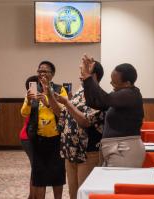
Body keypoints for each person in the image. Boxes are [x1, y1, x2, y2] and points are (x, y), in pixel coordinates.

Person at [41, 61, 105, 199]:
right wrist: (49, 94)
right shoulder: (79, 92)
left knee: (85, 194)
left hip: (87, 153)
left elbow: (85, 121)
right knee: (73, 194)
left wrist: (67, 103)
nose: (80, 76)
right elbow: (61, 112)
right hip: (70, 150)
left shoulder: (98, 96)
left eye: (83, 72)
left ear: (94, 76)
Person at [80, 55, 145, 167]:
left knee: (117, 183)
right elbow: (94, 102)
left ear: (127, 84)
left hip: (124, 149)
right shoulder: (119, 95)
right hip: (116, 149)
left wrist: (88, 77)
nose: (111, 84)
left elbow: (105, 99)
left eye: (114, 82)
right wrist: (88, 78)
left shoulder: (131, 94)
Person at [20, 61, 67, 199]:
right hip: (38, 139)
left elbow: (63, 111)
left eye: (45, 71)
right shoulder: (33, 89)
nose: (41, 74)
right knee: (39, 176)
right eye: (39, 71)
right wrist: (28, 101)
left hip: (56, 139)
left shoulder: (60, 90)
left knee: (57, 174)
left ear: (52, 75)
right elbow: (24, 113)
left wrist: (48, 101)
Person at [19, 75, 38, 199]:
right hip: (27, 138)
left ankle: (33, 196)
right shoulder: (30, 99)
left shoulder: (39, 98)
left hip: (30, 137)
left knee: (36, 167)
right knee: (36, 168)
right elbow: (24, 113)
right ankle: (32, 197)